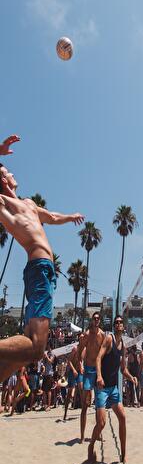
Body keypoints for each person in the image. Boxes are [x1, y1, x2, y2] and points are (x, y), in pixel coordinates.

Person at [0, 153, 84, 383]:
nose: (13, 173)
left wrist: (70, 217)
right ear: (3, 180)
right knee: (37, 349)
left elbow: (53, 216)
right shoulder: (3, 202)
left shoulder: (28, 204)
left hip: (43, 271)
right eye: (8, 172)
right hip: (38, 270)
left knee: (24, 355)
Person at [87, 315, 137, 464]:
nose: (119, 324)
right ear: (114, 326)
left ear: (124, 326)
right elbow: (98, 358)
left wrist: (131, 377)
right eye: (116, 322)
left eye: (121, 322)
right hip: (102, 387)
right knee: (101, 423)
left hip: (114, 388)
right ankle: (91, 446)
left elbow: (123, 369)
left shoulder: (123, 346)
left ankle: (123, 454)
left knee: (122, 417)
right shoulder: (109, 339)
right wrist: (99, 376)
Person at [77, 313, 105, 442]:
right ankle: (82, 436)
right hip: (88, 371)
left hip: (98, 371)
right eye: (94, 318)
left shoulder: (102, 335)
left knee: (99, 404)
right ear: (92, 320)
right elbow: (79, 349)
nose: (96, 320)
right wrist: (79, 364)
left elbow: (105, 353)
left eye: (98, 318)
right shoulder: (87, 335)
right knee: (85, 404)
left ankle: (98, 433)